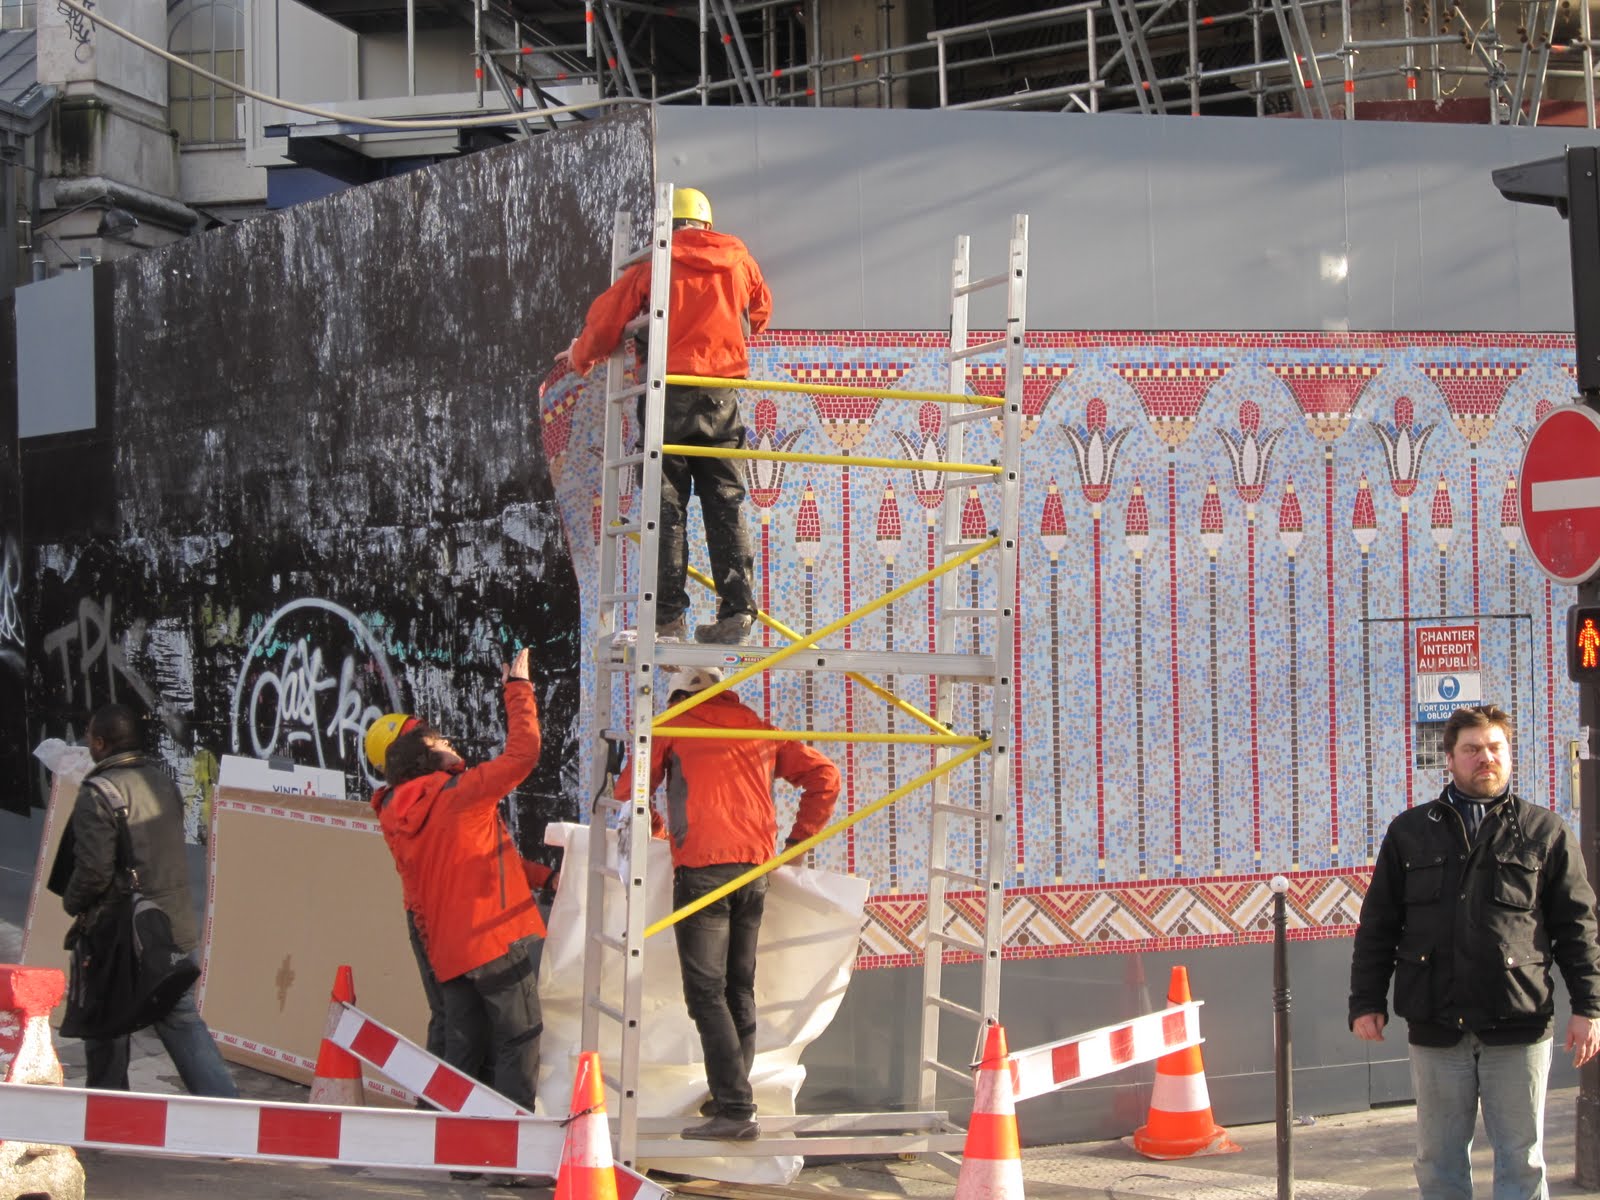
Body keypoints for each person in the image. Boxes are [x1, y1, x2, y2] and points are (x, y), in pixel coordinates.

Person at [1349, 703, 1600, 1200]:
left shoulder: (1544, 831)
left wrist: (1590, 1008)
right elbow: (1378, 925)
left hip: (1519, 1023)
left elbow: (1578, 927)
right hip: (1436, 1025)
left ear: (1509, 755)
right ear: (1450, 759)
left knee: (1521, 1163)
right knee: (1438, 1163)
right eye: (1472, 749)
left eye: (1495, 748)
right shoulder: (1409, 832)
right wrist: (1366, 1002)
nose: (1485, 758)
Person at [618, 666, 840, 1141]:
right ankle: (731, 1099)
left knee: (706, 992)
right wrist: (797, 843)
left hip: (703, 870)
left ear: (679, 695)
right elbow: (825, 776)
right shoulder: (759, 728)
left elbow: (627, 793)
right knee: (739, 989)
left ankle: (735, 1110)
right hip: (754, 873)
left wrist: (659, 827)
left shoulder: (672, 726)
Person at [558, 185, 771, 646]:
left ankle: (668, 617)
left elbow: (605, 322)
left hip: (665, 393)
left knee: (665, 503)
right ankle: (738, 610)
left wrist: (580, 356)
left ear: (668, 225)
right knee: (725, 499)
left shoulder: (656, 263)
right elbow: (762, 310)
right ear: (707, 224)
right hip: (720, 395)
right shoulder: (737, 258)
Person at [371, 648, 547, 1126]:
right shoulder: (460, 793)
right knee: (518, 1038)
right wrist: (518, 689)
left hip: (447, 947)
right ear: (425, 752)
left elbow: (476, 855)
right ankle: (510, 1151)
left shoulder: (395, 810)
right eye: (438, 738)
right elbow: (523, 753)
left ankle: (453, 1145)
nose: (450, 741)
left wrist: (542, 878)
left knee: (463, 1049)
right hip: (491, 936)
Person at [60, 703, 237, 1097]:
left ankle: (107, 1116)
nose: (88, 741)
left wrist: (72, 902)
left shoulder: (98, 793)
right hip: (172, 926)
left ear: (102, 743)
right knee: (180, 1019)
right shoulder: (162, 780)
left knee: (105, 1021)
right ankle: (228, 1115)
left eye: (90, 735)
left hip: (122, 934)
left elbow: (93, 872)